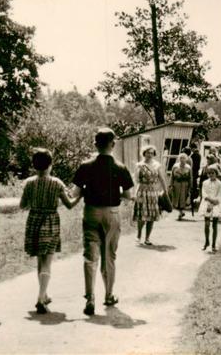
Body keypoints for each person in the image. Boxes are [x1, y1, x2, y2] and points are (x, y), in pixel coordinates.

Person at [70, 128, 134, 316]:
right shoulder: (120, 167)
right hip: (112, 213)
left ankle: (90, 297)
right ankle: (109, 294)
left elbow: (75, 192)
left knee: (90, 256)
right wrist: (115, 193)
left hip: (91, 212)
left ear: (95, 144)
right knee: (109, 256)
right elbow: (128, 195)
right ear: (113, 144)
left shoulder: (85, 166)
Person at [20, 148, 81, 314]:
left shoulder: (29, 183)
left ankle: (44, 294)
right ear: (50, 164)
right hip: (50, 221)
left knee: (40, 261)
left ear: (34, 165)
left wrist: (34, 201)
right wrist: (80, 195)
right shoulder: (56, 183)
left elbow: (22, 205)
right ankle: (41, 297)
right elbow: (69, 205)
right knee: (47, 261)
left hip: (34, 221)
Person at [133, 145, 165, 245]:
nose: (150, 155)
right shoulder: (139, 165)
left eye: (152, 153)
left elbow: (161, 178)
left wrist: (165, 190)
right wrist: (134, 193)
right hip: (142, 190)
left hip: (153, 191)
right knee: (142, 215)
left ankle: (147, 238)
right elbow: (136, 180)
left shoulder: (157, 165)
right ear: (144, 153)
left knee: (151, 215)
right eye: (148, 153)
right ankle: (138, 236)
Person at [197, 167, 221, 252]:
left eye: (212, 173)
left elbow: (219, 195)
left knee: (214, 225)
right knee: (207, 224)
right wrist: (209, 200)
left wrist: (214, 201)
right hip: (207, 202)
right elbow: (204, 193)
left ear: (216, 174)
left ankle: (213, 244)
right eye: (209, 173)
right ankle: (207, 241)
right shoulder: (205, 182)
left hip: (216, 203)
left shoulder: (219, 183)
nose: (211, 175)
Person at [170, 153, 192, 220]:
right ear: (179, 159)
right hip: (177, 184)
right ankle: (180, 212)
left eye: (184, 158)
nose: (182, 160)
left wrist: (190, 186)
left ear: (186, 159)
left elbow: (190, 177)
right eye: (181, 158)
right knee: (177, 198)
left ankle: (181, 212)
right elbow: (172, 176)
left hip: (185, 184)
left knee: (183, 198)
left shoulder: (188, 167)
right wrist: (171, 185)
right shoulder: (175, 166)